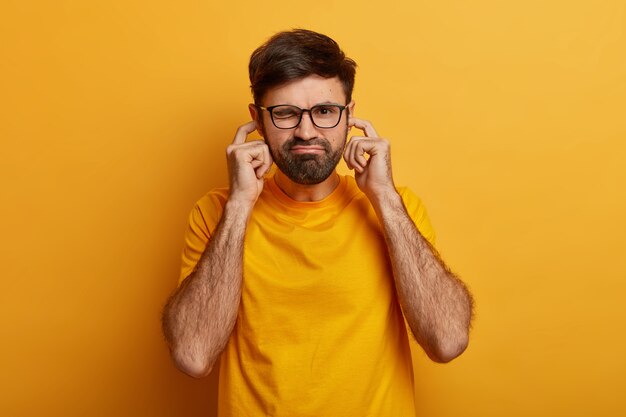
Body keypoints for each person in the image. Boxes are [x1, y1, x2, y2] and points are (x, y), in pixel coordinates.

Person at [162, 29, 474, 416]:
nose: (306, 132)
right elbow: (193, 355)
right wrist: (240, 203)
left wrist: (385, 199)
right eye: (286, 113)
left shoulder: (395, 207)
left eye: (325, 111)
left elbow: (447, 341)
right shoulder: (216, 213)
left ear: (350, 115)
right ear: (256, 120)